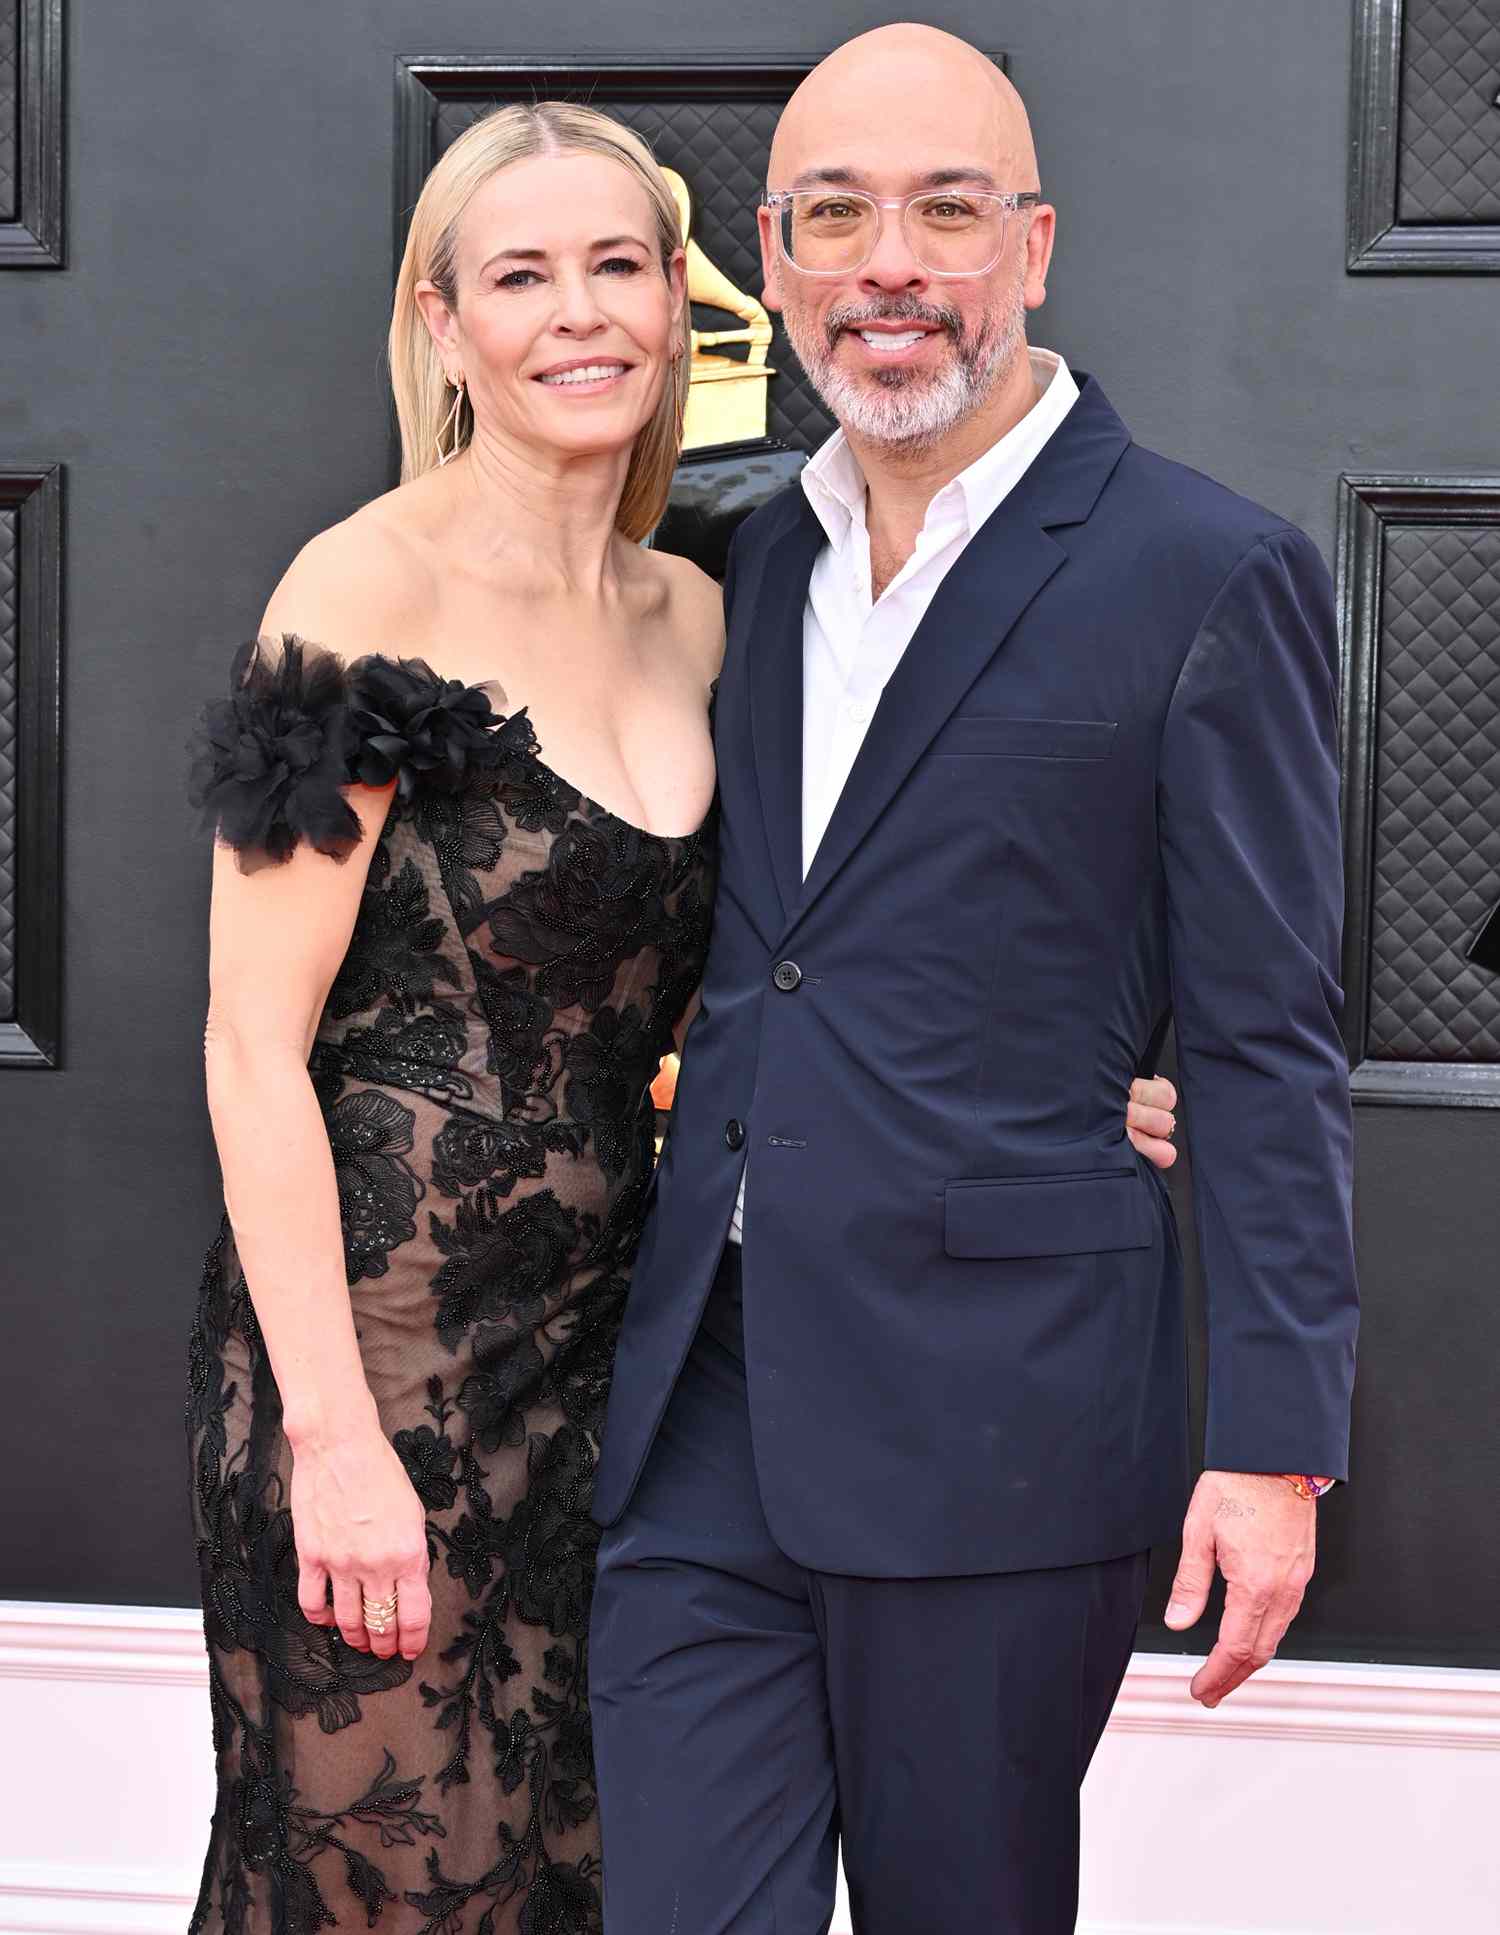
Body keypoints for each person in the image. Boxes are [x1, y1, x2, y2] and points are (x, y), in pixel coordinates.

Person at [183, 98, 1179, 1934]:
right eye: (523, 274)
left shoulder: (717, 604)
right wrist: (331, 1439)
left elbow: (810, 958)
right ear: (441, 320)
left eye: (620, 265)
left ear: (684, 302)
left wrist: (1061, 1091)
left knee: (602, 1880)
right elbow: (252, 1047)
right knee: (384, 1884)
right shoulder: (360, 589)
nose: (581, 314)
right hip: (384, 1365)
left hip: (642, 1376)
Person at [588, 26, 1359, 1935]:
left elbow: (1266, 1036)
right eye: (836, 215)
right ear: (770, 260)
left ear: (1035, 246)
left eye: (946, 211)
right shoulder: (735, 559)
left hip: (1004, 1421)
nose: (890, 265)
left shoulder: (1203, 569)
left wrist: (1276, 1446)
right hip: (704, 1391)